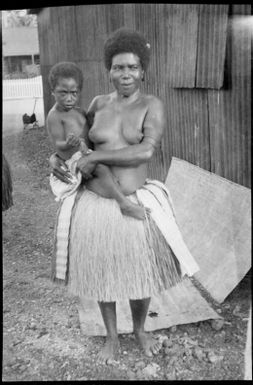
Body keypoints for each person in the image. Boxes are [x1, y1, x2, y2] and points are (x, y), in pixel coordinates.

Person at [49, 28, 199, 364]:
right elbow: (78, 141)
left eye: (132, 67)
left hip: (133, 201)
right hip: (95, 202)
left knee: (139, 273)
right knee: (104, 274)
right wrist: (55, 158)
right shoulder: (98, 103)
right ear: (109, 70)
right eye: (118, 67)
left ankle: (141, 329)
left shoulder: (152, 105)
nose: (125, 74)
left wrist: (97, 158)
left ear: (142, 69)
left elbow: (145, 151)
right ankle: (113, 337)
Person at [47, 61, 147, 219]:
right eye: (119, 68)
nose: (69, 98)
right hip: (85, 162)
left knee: (101, 168)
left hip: (96, 161)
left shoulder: (147, 107)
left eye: (74, 93)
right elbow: (61, 142)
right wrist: (56, 156)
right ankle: (124, 204)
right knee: (101, 168)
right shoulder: (92, 106)